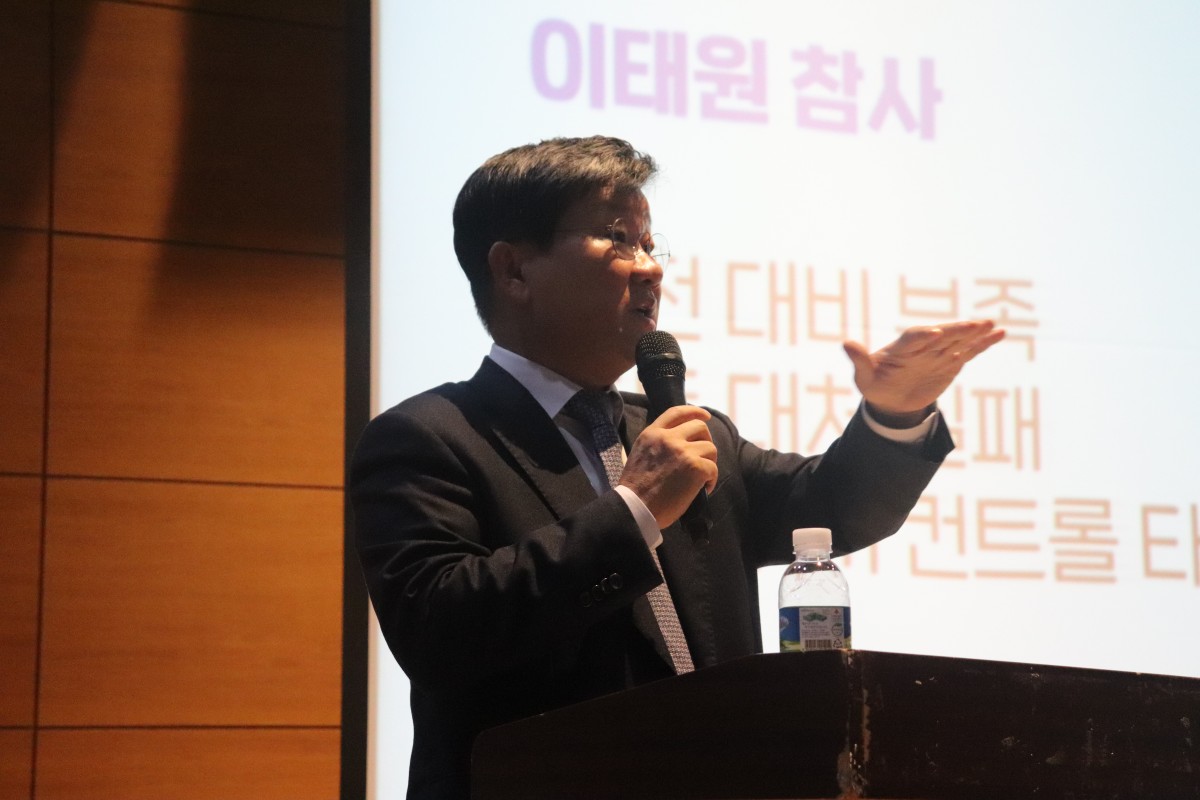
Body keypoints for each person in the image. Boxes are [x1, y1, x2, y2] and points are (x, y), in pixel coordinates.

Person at [350, 135, 1005, 800]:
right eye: (618, 239)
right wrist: (633, 510)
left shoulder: (689, 433)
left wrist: (894, 414)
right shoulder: (428, 438)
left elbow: (834, 509)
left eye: (649, 243)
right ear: (514, 270)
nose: (650, 270)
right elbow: (439, 634)